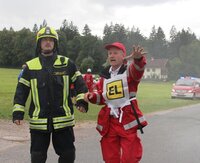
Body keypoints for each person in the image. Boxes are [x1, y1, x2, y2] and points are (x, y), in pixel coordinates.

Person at [12, 26, 88, 163]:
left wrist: (82, 101)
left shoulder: (67, 63)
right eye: (44, 40)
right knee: (37, 157)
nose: (48, 42)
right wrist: (18, 112)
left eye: (51, 40)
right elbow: (21, 91)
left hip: (63, 121)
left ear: (55, 43)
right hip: (39, 122)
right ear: (39, 43)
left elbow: (80, 84)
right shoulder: (30, 66)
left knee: (68, 155)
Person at [84, 42, 148, 163]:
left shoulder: (129, 71)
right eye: (109, 53)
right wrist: (92, 96)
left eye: (115, 53)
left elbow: (138, 69)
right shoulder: (104, 76)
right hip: (109, 121)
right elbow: (102, 98)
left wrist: (138, 59)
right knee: (110, 157)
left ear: (123, 55)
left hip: (127, 118)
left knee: (130, 157)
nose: (112, 55)